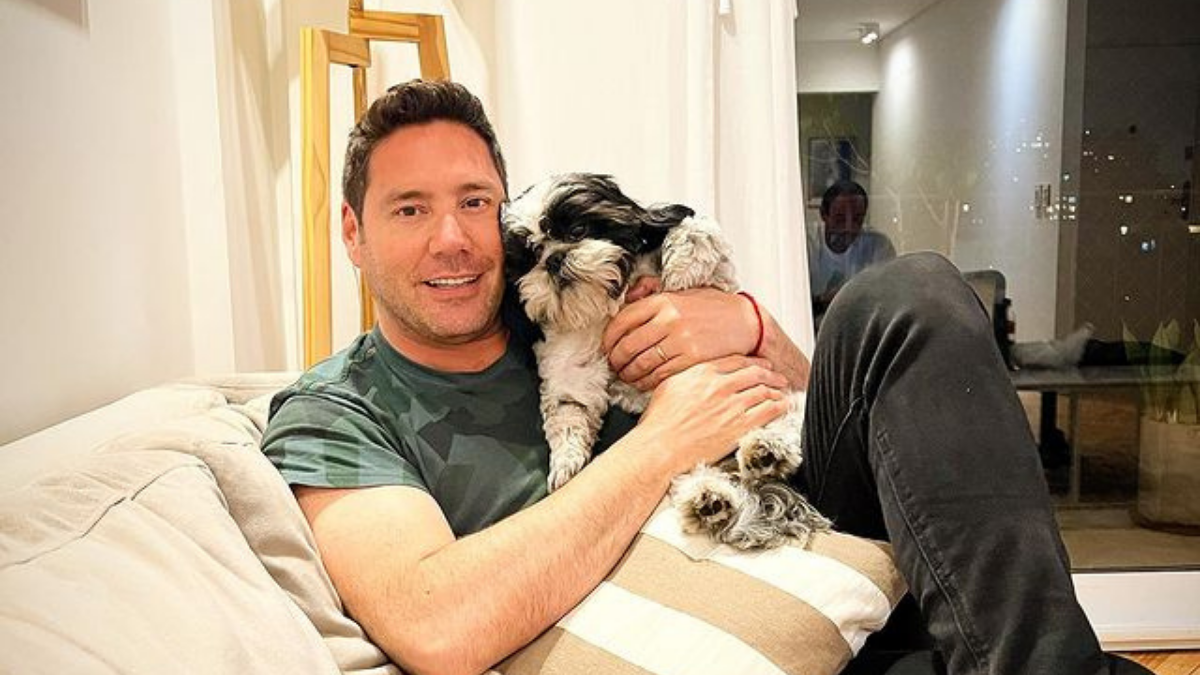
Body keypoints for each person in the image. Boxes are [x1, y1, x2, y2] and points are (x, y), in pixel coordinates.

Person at [261, 80, 1150, 675]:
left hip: (809, 529)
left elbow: (842, 404)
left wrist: (752, 328)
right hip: (719, 625)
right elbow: (435, 620)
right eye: (409, 209)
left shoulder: (562, 290)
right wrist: (660, 442)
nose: (453, 240)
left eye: (473, 202)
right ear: (353, 232)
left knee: (910, 293)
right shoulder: (339, 408)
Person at [807, 179, 896, 329]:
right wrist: (822, 301)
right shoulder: (807, 243)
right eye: (840, 219)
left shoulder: (878, 246)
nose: (849, 227)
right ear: (823, 214)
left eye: (857, 219)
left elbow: (888, 301)